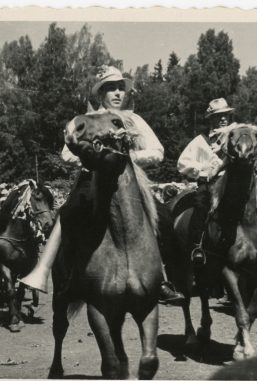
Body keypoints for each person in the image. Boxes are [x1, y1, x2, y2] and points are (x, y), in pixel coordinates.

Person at [30, 65, 183, 305]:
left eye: (120, 88)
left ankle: (162, 278)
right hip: (92, 179)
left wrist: (129, 157)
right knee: (68, 215)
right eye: (111, 88)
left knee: (163, 216)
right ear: (101, 94)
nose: (117, 93)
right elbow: (66, 153)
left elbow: (158, 151)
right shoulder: (89, 119)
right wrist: (91, 156)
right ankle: (68, 273)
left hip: (129, 180)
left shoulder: (134, 120)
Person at [177, 98, 234, 265]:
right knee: (201, 204)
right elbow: (182, 163)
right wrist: (202, 170)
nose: (223, 118)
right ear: (211, 118)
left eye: (226, 115)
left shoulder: (235, 135)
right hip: (209, 183)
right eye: (219, 115)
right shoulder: (200, 141)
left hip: (231, 181)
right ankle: (198, 245)